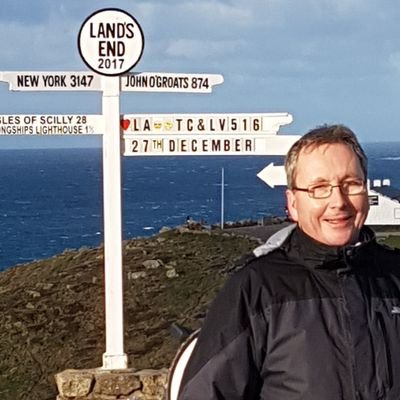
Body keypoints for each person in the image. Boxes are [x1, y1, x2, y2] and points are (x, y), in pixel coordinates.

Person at [177, 124, 400, 400]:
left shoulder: (395, 275)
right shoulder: (257, 289)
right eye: (319, 188)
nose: (338, 201)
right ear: (293, 203)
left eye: (350, 184)